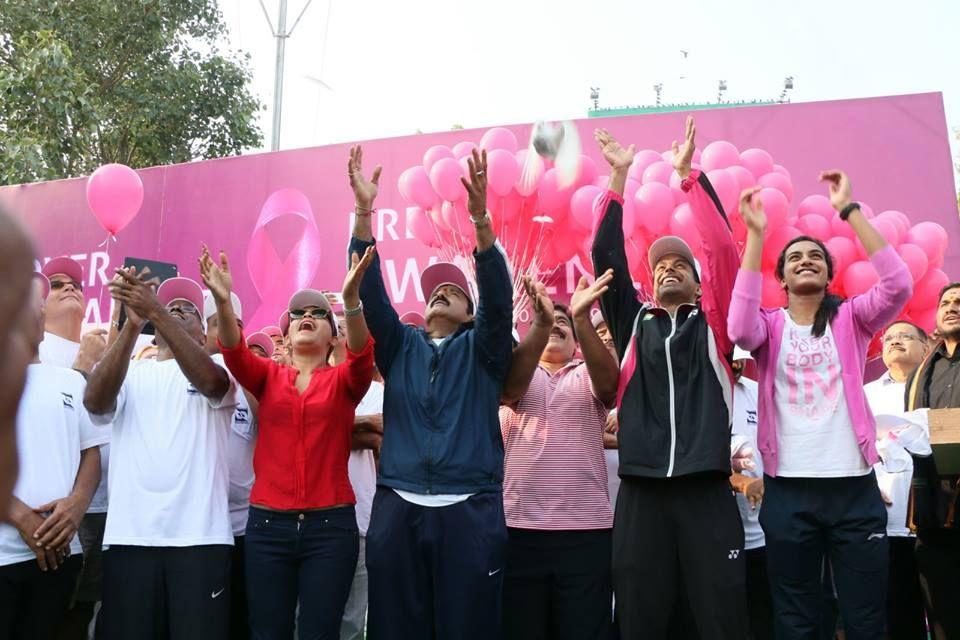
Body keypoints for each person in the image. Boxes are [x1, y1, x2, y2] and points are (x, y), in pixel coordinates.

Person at [728, 170, 913, 639]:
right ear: (783, 278)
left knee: (865, 616)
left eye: (816, 257)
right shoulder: (768, 327)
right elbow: (737, 329)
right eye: (795, 258)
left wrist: (850, 211)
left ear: (830, 274)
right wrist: (756, 235)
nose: (806, 260)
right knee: (796, 617)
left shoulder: (854, 318)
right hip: (788, 491)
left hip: (854, 490)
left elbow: (899, 285)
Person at [348, 144, 514, 640]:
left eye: (454, 291)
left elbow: (500, 302)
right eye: (434, 289)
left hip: (470, 508)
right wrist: (363, 212)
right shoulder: (399, 347)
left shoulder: (484, 351)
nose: (440, 292)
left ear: (469, 313)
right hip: (398, 504)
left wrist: (480, 219)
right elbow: (370, 290)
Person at [591, 118, 747, 638]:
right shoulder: (634, 322)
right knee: (640, 619)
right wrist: (619, 176)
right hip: (642, 491)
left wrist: (688, 176)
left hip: (706, 488)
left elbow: (724, 251)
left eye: (681, 263)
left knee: (720, 619)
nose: (668, 268)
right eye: (660, 265)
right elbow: (604, 255)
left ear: (701, 286)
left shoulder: (717, 326)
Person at [200, 242, 375, 640]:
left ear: (333, 338)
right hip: (267, 528)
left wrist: (350, 301)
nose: (307, 317)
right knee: (268, 632)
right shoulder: (267, 377)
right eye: (298, 314)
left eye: (317, 313)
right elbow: (233, 350)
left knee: (319, 632)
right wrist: (223, 302)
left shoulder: (345, 381)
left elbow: (363, 354)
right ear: (287, 332)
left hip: (330, 530)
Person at [84, 272, 238, 640]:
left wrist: (155, 309)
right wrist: (133, 325)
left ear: (204, 334)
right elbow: (96, 402)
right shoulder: (130, 370)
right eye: (171, 307)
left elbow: (212, 384)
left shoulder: (221, 369)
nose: (177, 310)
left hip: (199, 541)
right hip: (129, 540)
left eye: (188, 309)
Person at [498, 272, 619, 640]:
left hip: (587, 533)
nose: (557, 326)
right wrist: (542, 323)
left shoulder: (587, 373)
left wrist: (581, 318)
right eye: (553, 320)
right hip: (517, 529)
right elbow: (510, 388)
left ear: (577, 341)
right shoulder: (517, 373)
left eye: (564, 323)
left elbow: (611, 388)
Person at [0, 273, 106, 640]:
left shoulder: (70, 381)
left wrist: (77, 506)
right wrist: (21, 517)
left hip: (61, 555)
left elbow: (90, 453)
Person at [862, 321, 930, 639]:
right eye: (889, 337)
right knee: (899, 609)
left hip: (938, 517)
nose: (895, 341)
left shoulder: (940, 385)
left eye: (905, 336)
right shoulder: (865, 394)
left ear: (926, 346)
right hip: (884, 518)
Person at [903, 284, 960, 640]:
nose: (952, 307)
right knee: (942, 612)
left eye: (959, 302)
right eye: (946, 302)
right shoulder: (921, 371)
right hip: (933, 509)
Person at [202, 289, 257, 640]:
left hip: (245, 529)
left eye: (235, 324)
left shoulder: (254, 376)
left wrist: (247, 375)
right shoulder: (180, 372)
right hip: (199, 528)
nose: (225, 329)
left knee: (242, 621)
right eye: (216, 323)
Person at [332, 313, 384, 640]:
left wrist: (333, 428)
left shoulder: (377, 390)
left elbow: (384, 434)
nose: (343, 333)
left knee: (353, 622)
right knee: (309, 617)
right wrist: (362, 427)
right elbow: (307, 430)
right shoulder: (312, 379)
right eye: (337, 328)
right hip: (316, 517)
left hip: (364, 518)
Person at [727, 350, 773, 640]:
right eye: (728, 354)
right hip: (714, 536)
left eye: (741, 355)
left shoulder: (759, 393)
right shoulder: (688, 392)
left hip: (764, 532)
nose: (736, 364)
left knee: (764, 618)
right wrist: (737, 479)